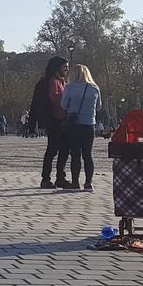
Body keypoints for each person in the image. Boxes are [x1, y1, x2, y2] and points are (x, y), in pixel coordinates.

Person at [28, 56, 70, 189]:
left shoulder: (62, 81)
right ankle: (46, 178)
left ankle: (60, 177)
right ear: (58, 68)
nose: (67, 69)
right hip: (54, 120)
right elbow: (53, 97)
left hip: (63, 120)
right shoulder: (51, 82)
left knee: (64, 149)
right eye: (65, 67)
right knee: (52, 149)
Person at [60, 64, 103, 190]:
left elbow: (63, 105)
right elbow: (99, 106)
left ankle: (75, 182)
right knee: (87, 154)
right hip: (89, 124)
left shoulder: (70, 88)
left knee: (75, 154)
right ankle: (89, 183)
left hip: (75, 125)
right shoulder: (94, 88)